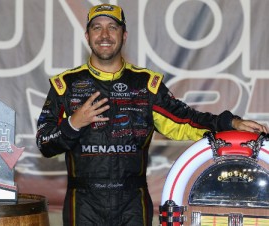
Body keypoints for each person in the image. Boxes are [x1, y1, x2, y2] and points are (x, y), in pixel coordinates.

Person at [36, 3, 268, 226]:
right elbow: (44, 144)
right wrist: (73, 124)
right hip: (83, 205)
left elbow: (185, 120)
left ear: (124, 35)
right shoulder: (65, 86)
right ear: (87, 36)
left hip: (132, 205)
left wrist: (230, 122)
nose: (104, 34)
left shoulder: (147, 85)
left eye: (112, 27)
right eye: (97, 27)